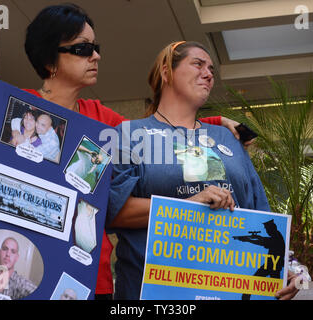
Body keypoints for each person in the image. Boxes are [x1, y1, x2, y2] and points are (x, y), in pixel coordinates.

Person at [23, 4, 247, 300]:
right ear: (50, 57)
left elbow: (157, 130)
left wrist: (214, 123)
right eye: (83, 48)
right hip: (25, 264)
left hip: (89, 275)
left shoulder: (102, 118)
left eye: (96, 47)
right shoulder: (15, 109)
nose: (96, 56)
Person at [106, 41, 300, 300]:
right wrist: (187, 206)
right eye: (197, 64)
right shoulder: (129, 134)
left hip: (230, 290)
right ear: (167, 72)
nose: (208, 74)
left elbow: (260, 213)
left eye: (211, 69)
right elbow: (112, 211)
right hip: (154, 293)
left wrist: (288, 267)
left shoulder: (229, 138)